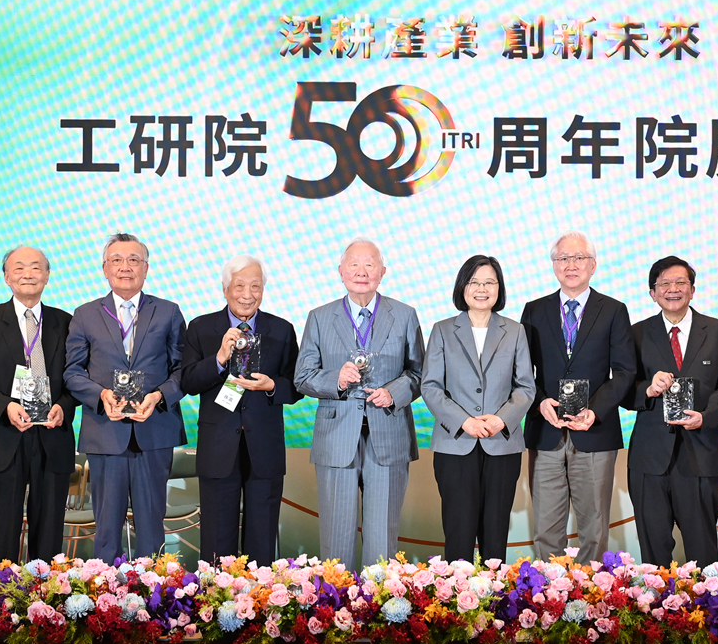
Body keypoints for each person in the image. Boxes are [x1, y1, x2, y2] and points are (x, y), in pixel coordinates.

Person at [294, 239, 424, 570]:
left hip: (389, 432)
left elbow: (420, 373)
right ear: (341, 272)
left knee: (382, 538)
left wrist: (394, 392)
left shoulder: (405, 315)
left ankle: (379, 611)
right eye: (354, 264)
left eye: (369, 265)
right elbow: (303, 377)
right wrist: (334, 380)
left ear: (382, 272)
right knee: (336, 538)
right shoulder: (320, 318)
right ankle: (335, 611)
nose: (361, 272)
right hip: (337, 436)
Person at [64, 233, 187, 563]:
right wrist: (101, 395)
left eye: (134, 260)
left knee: (152, 527)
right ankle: (105, 603)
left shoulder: (168, 312)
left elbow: (182, 370)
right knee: (106, 528)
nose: (125, 267)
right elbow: (72, 373)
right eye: (116, 260)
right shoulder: (86, 314)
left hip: (154, 429)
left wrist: (160, 396)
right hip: (106, 431)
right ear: (104, 268)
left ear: (146, 268)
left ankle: (156, 597)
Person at [521, 231, 636, 564]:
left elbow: (625, 372)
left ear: (593, 265)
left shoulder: (613, 310)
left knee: (595, 526)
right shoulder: (534, 310)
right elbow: (521, 371)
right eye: (563, 259)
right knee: (545, 525)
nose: (571, 265)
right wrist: (540, 400)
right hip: (546, 431)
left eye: (579, 258)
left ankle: (590, 600)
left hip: (594, 433)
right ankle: (549, 600)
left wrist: (595, 411)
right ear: (553, 265)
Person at [179, 254, 299, 566]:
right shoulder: (201, 328)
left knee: (262, 536)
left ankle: (259, 605)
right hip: (219, 445)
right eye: (240, 286)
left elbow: (296, 385)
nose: (248, 294)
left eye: (255, 286)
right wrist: (219, 358)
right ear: (225, 289)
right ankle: (218, 605)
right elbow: (188, 382)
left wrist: (272, 386)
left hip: (265, 446)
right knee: (218, 538)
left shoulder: (282, 330)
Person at [0, 246, 76, 562]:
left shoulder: (66, 322)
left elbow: (76, 379)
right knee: (1, 533)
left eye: (36, 267)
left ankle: (47, 602)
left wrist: (63, 406)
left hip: (52, 438)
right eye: (19, 267)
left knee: (50, 534)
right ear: (7, 277)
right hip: (1, 438)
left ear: (48, 275)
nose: (28, 273)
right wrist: (5, 407)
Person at [421, 254, 535, 563]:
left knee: (495, 535)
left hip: (502, 445)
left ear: (499, 288)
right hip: (455, 444)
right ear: (462, 287)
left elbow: (526, 387)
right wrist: (464, 422)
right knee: (458, 534)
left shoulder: (515, 331)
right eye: (474, 282)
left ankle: (494, 604)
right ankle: (458, 606)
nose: (481, 288)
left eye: (489, 282)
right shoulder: (443, 330)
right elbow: (430, 386)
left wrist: (500, 420)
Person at [624, 255, 718, 567]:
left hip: (701, 455)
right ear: (652, 293)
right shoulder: (635, 334)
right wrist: (646, 388)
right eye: (664, 284)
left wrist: (706, 416)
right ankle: (656, 613)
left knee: (702, 551)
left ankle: (706, 615)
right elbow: (622, 388)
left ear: (692, 289)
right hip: (650, 458)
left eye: (680, 283)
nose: (672, 289)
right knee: (653, 551)